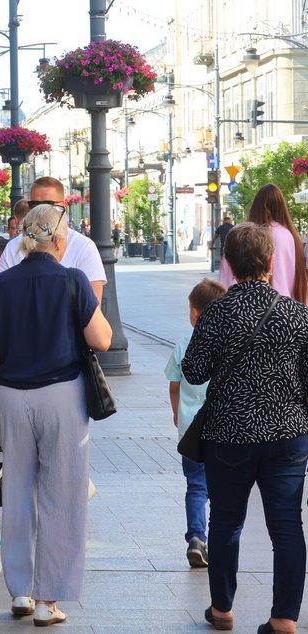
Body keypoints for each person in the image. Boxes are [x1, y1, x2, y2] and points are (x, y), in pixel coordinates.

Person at [0, 204, 112, 626]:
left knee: (16, 490)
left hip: (9, 396)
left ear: (24, 239)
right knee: (62, 494)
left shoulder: (0, 284)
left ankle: (20, 592)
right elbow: (102, 340)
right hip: (61, 395)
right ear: (60, 241)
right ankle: (49, 600)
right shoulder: (73, 280)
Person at [183, 223, 308, 634]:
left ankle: (222, 611)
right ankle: (285, 618)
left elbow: (195, 372)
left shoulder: (217, 311)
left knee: (226, 521)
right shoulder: (295, 313)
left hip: (229, 435)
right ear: (271, 262)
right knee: (287, 524)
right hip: (288, 434)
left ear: (230, 264)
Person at [164, 278, 226, 569]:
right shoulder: (227, 345)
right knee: (220, 488)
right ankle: (215, 541)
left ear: (196, 313)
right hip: (221, 430)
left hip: (190, 431)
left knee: (195, 486)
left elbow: (174, 386)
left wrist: (177, 413)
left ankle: (196, 538)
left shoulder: (182, 345)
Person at [0, 177, 107, 303]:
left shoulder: (84, 246)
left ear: (63, 205)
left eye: (48, 204)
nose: (41, 210)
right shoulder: (13, 247)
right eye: (35, 205)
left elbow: (93, 305)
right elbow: (1, 298)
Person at [218, 184, 307, 304]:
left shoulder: (246, 237)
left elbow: (225, 280)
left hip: (248, 304)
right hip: (285, 307)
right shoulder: (289, 235)